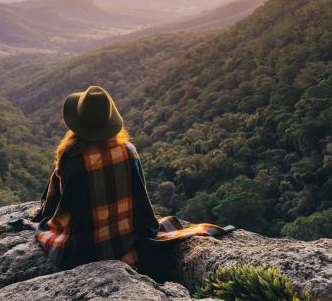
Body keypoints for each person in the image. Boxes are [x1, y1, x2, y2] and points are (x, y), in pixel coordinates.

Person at [30, 85, 233, 278]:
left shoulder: (71, 159)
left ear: (78, 124)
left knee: (45, 228)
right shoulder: (129, 152)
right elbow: (141, 203)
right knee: (170, 224)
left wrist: (45, 220)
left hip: (81, 250)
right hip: (125, 242)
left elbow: (55, 207)